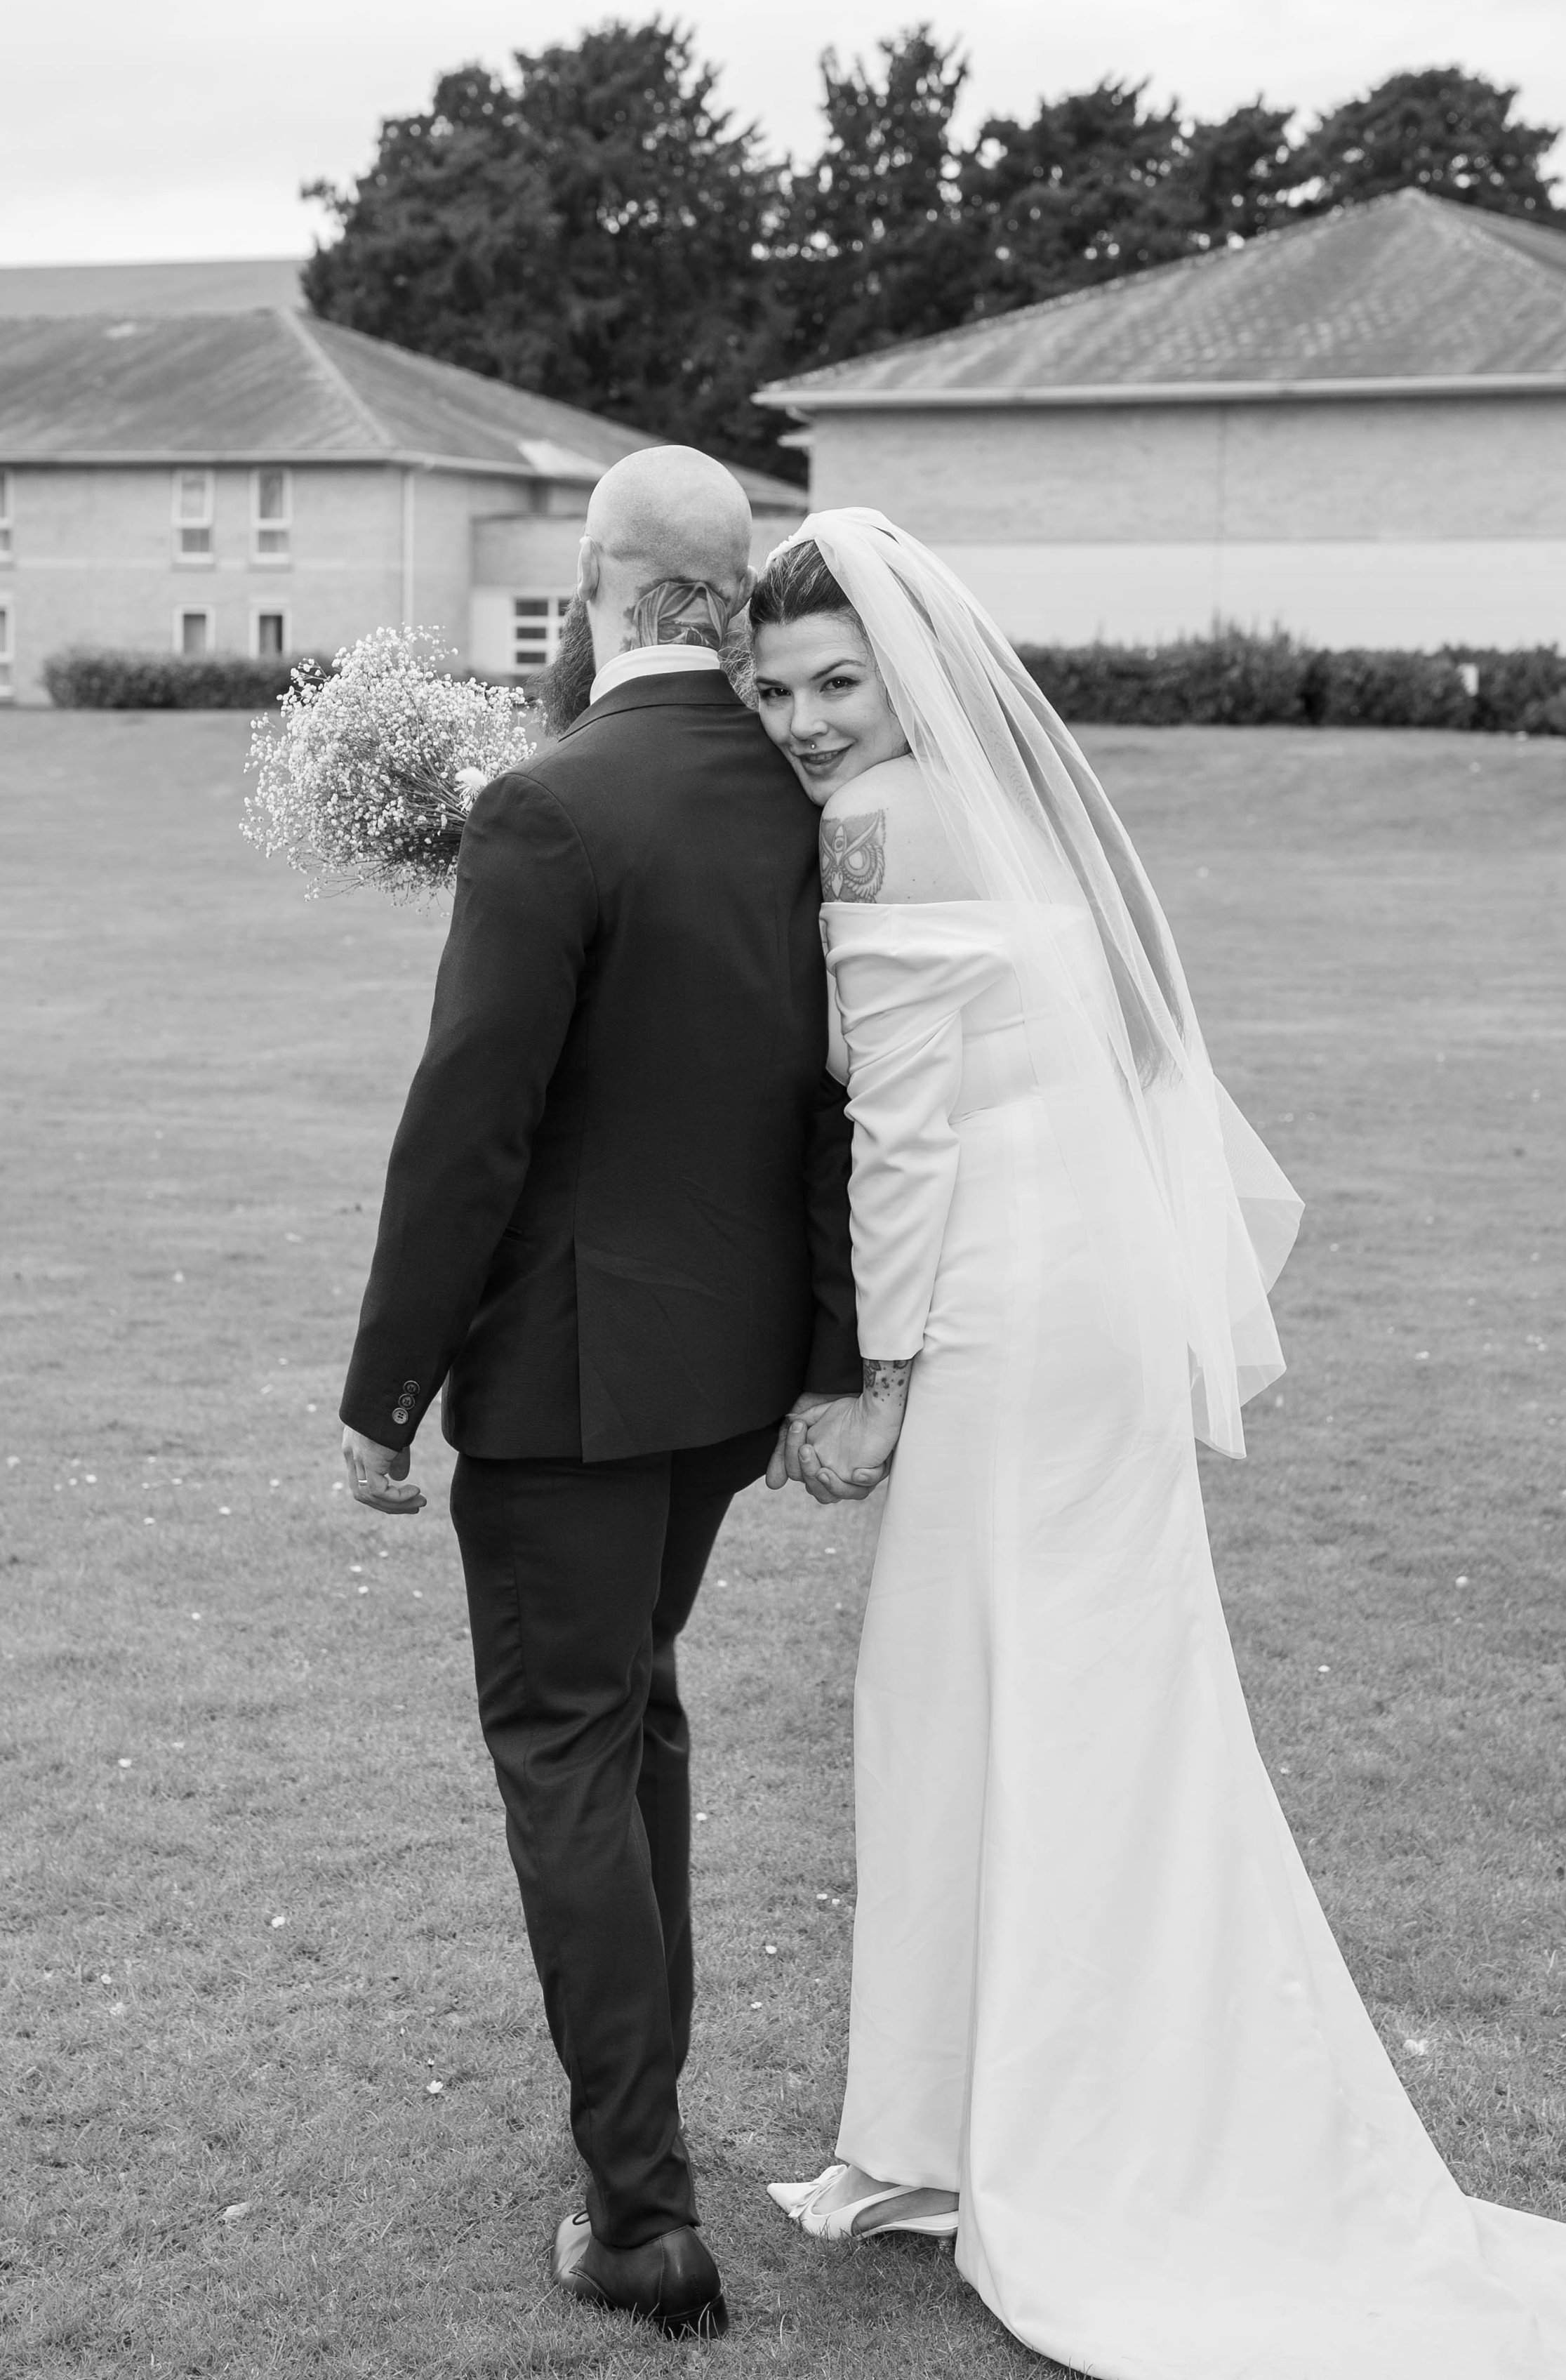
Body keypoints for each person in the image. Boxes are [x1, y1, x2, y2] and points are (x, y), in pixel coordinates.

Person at [748, 512, 1566, 2380]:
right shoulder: (1004, 811)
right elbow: (1135, 1055)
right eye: (776, 690)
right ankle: (974, 2125)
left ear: (908, 669)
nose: (805, 720)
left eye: (838, 680)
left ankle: (1033, 2138)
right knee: (1074, 1695)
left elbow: (906, 1141)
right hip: (1081, 1296)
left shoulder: (878, 826)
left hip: (1000, 1315)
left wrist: (875, 1384)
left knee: (980, 1695)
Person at [337, 447, 861, 2341]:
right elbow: (834, 1116)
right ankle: (628, 2148)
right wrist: (823, 1362)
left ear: (617, 587)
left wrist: (385, 1388)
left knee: (568, 1746)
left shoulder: (550, 811)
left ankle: (638, 2213)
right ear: (721, 607)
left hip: (566, 1382)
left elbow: (466, 1130)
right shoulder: (814, 800)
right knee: (631, 1721)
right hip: (722, 1385)